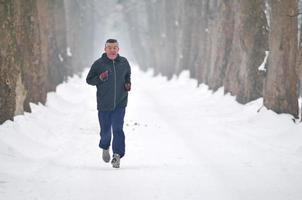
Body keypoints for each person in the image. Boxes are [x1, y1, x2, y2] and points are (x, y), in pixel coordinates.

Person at [86, 39, 131, 168]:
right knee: (105, 131)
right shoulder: (98, 64)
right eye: (109, 47)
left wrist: (128, 83)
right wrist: (100, 78)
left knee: (117, 129)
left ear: (118, 49)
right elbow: (89, 80)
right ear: (105, 49)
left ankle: (117, 155)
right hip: (104, 104)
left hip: (120, 102)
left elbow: (128, 75)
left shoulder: (124, 62)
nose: (112, 50)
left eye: (115, 47)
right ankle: (105, 146)